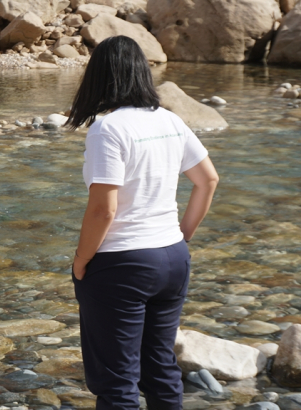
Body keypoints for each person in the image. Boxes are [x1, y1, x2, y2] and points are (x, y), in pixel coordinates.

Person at [65, 36, 219, 409]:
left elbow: (104, 210)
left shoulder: (108, 129)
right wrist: (181, 236)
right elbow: (208, 180)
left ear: (99, 76)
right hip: (171, 258)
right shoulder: (170, 120)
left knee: (117, 381)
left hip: (122, 264)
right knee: (160, 369)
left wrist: (81, 260)